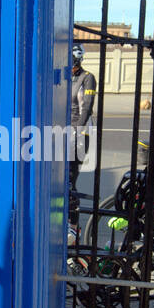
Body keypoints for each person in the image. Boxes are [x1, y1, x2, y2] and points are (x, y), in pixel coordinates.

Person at [68, 44, 96, 225]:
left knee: (70, 178)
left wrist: (75, 132)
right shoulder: (64, 77)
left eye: (72, 62)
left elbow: (86, 108)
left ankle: (73, 225)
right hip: (59, 132)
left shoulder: (87, 78)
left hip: (80, 133)